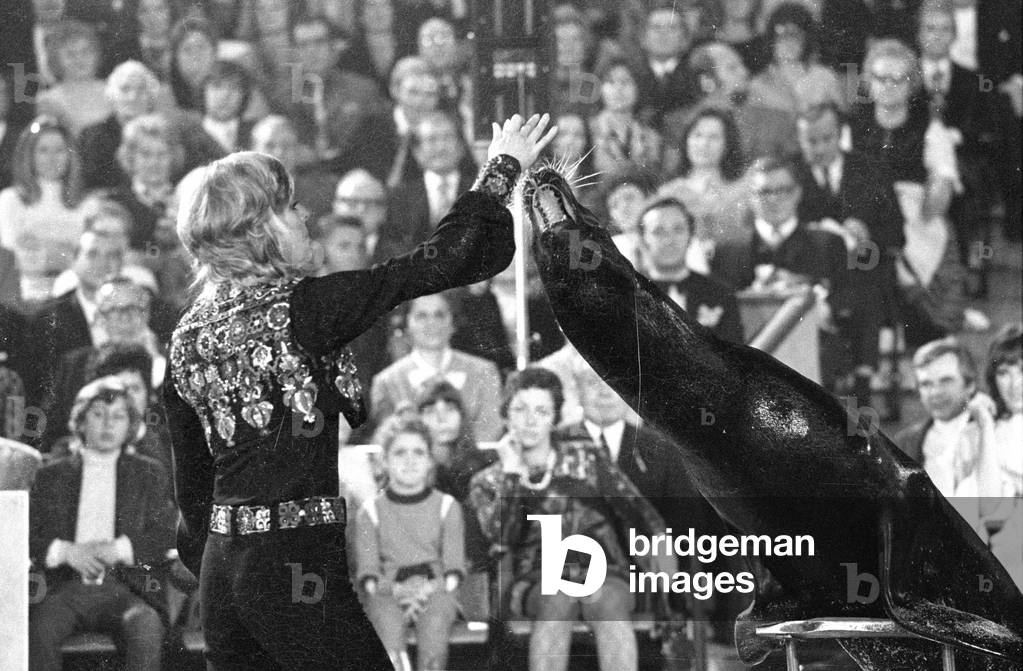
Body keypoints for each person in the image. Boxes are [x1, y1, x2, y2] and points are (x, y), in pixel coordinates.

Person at [163, 113, 557, 669]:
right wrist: (501, 168)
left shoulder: (187, 334)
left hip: (222, 577)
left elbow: (191, 489)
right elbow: (447, 259)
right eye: (291, 208)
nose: (306, 217)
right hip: (292, 568)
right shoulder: (307, 308)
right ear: (262, 229)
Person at [467, 367, 666, 671]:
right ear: (506, 415)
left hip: (604, 571)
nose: (530, 421)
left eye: (541, 410)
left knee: (609, 601)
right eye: (520, 409)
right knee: (557, 599)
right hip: (535, 580)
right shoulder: (488, 481)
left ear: (555, 418)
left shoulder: (585, 457)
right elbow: (503, 538)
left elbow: (639, 511)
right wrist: (511, 475)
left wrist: (661, 552)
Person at [29, 377, 177, 671]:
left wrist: (118, 549)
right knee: (41, 627)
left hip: (126, 588)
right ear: (80, 421)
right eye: (98, 415)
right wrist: (67, 551)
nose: (108, 424)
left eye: (118, 416)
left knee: (145, 623)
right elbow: (27, 536)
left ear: (130, 425)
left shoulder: (148, 474)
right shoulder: (51, 475)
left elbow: (165, 536)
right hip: (66, 589)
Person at [354, 415, 465, 671]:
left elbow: (454, 571)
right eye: (400, 452)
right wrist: (397, 591)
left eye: (418, 452)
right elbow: (368, 576)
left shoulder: (447, 506)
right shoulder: (370, 512)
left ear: (429, 461)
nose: (410, 460)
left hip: (436, 592)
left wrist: (426, 590)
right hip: (387, 592)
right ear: (384, 460)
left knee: (435, 626)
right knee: (387, 627)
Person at [371, 292, 503, 441]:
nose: (431, 323)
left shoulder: (484, 372)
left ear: (453, 323)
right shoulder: (386, 382)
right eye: (421, 316)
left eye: (439, 315)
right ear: (406, 325)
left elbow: (490, 430)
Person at [0, 116, 84, 303]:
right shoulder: (10, 200)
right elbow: (11, 260)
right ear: (29, 155)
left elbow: (88, 261)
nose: (52, 158)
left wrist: (37, 249)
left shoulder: (87, 203)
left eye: (60, 150)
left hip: (73, 291)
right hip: (24, 292)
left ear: (71, 154)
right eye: (43, 150)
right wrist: (65, 253)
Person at [638, 197, 744, 344]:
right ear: (644, 239)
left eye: (678, 229)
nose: (669, 240)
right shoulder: (628, 293)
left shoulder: (720, 293)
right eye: (658, 231)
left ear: (690, 236)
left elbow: (735, 358)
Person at [656, 106, 749, 268]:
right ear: (686, 140)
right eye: (697, 135)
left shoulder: (743, 190)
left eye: (713, 137)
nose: (704, 144)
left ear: (727, 144)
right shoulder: (669, 193)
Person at [893, 337, 983, 497]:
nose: (935, 393)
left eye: (946, 381)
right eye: (926, 384)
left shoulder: (991, 433)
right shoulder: (904, 443)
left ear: (970, 385)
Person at [417, 380, 497, 501]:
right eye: (431, 411)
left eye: (450, 409)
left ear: (462, 415)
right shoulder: (414, 467)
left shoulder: (483, 465)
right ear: (419, 419)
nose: (442, 419)